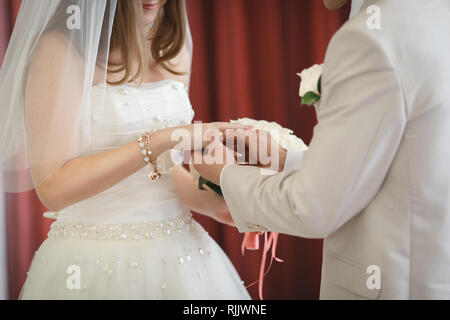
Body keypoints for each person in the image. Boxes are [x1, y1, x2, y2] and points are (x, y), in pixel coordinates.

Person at [194, 0, 450, 299]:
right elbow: (401, 168)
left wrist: (226, 175)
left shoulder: (371, 39)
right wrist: (283, 158)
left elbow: (313, 208)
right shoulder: (436, 15)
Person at [0, 0, 250, 299]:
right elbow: (53, 187)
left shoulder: (172, 50)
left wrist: (223, 204)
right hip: (93, 261)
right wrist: (162, 138)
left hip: (184, 255)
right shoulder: (61, 50)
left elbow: (161, 174)